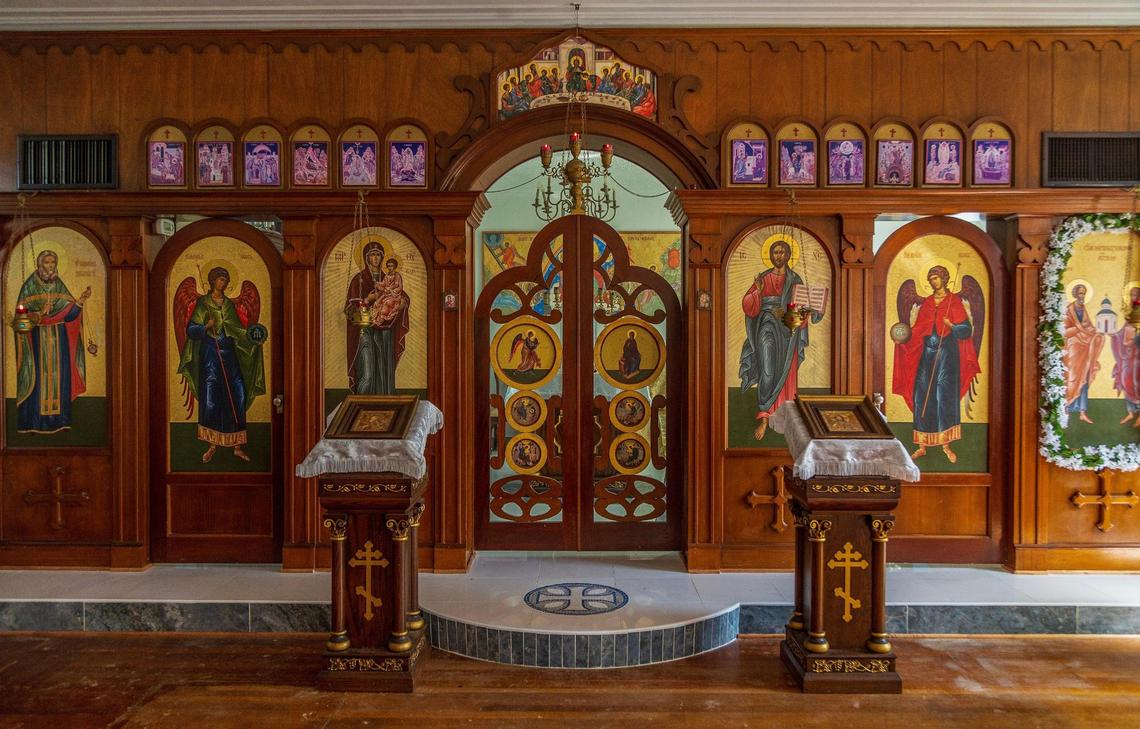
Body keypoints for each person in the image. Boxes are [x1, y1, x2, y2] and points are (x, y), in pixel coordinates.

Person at [891, 266, 980, 462]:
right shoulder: (928, 303)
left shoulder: (953, 302)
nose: (933, 282)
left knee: (943, 394)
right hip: (927, 354)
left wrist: (952, 326)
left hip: (947, 355)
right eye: (931, 279)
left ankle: (946, 445)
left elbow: (966, 330)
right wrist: (903, 339)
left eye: (936, 278)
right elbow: (917, 330)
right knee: (921, 393)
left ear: (944, 279)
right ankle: (922, 445)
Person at [176, 267, 265, 463]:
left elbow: (238, 329)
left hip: (229, 353)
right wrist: (205, 327)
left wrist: (253, 339)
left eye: (225, 280)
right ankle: (212, 445)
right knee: (211, 395)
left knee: (237, 394)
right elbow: (191, 329)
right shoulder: (203, 303)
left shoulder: (228, 305)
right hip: (210, 354)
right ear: (212, 281)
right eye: (219, 280)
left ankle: (237, 445)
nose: (222, 283)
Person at [738, 239, 822, 440]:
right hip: (766, 326)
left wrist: (806, 311)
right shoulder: (763, 278)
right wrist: (758, 291)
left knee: (787, 370)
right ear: (770, 255)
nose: (778, 256)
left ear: (788, 255)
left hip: (787, 330)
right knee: (767, 368)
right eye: (775, 252)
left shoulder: (795, 279)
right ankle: (765, 417)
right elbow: (748, 306)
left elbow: (801, 307)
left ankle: (788, 417)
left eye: (782, 252)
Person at [13, 250, 90, 433]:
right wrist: (39, 313)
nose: (50, 266)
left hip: (59, 339)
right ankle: (33, 422)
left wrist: (80, 301)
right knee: (38, 378)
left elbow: (70, 315)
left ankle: (60, 421)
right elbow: (20, 319)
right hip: (37, 342)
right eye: (47, 263)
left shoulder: (59, 286)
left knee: (59, 377)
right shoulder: (29, 287)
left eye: (53, 263)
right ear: (40, 265)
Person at [344, 241, 410, 395]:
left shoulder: (389, 278)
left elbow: (402, 296)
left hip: (385, 332)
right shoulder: (358, 279)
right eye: (372, 255)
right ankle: (359, 406)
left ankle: (385, 405)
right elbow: (349, 310)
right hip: (364, 331)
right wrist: (367, 299)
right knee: (366, 373)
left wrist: (403, 303)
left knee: (384, 371)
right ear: (366, 258)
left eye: (378, 255)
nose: (375, 258)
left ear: (382, 257)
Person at [1062, 283, 1105, 424]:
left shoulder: (1083, 309)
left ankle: (1082, 412)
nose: (1082, 296)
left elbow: (1089, 327)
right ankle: (1066, 407)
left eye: (1084, 293)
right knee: (1071, 378)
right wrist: (1079, 330)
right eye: (1080, 293)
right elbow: (1065, 330)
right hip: (1073, 349)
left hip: (1085, 349)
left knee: (1084, 379)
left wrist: (1095, 332)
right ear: (1075, 294)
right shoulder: (1069, 310)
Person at [1112, 288, 1140, 426]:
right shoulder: (1130, 316)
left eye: (1135, 295)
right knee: (1125, 381)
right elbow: (1123, 333)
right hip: (1128, 358)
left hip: (1138, 357)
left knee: (1137, 383)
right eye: (1131, 295)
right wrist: (1115, 335)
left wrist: (1133, 340)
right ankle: (1130, 412)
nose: (1132, 297)